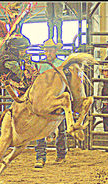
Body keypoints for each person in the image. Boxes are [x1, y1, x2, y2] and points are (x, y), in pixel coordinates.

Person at [34, 39, 67, 168]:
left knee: (61, 128)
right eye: (46, 50)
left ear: (56, 51)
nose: (48, 52)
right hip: (43, 100)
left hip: (57, 98)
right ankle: (40, 157)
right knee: (40, 129)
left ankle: (61, 154)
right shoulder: (40, 65)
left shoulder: (61, 64)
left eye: (51, 50)